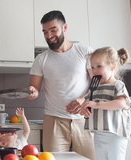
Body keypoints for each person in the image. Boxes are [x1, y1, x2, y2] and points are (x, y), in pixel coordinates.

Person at [28, 10, 95, 160]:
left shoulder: (85, 52)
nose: (49, 36)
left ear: (65, 27)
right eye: (45, 32)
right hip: (54, 121)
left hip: (84, 119)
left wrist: (83, 100)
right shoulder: (41, 59)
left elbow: (98, 85)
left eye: (53, 30)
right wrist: (32, 92)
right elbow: (35, 89)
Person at [67, 47, 131, 160]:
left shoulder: (117, 85)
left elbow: (121, 103)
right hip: (99, 134)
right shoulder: (95, 88)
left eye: (99, 66)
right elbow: (88, 105)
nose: (94, 70)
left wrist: (96, 104)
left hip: (115, 134)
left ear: (112, 66)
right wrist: (84, 109)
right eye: (92, 67)